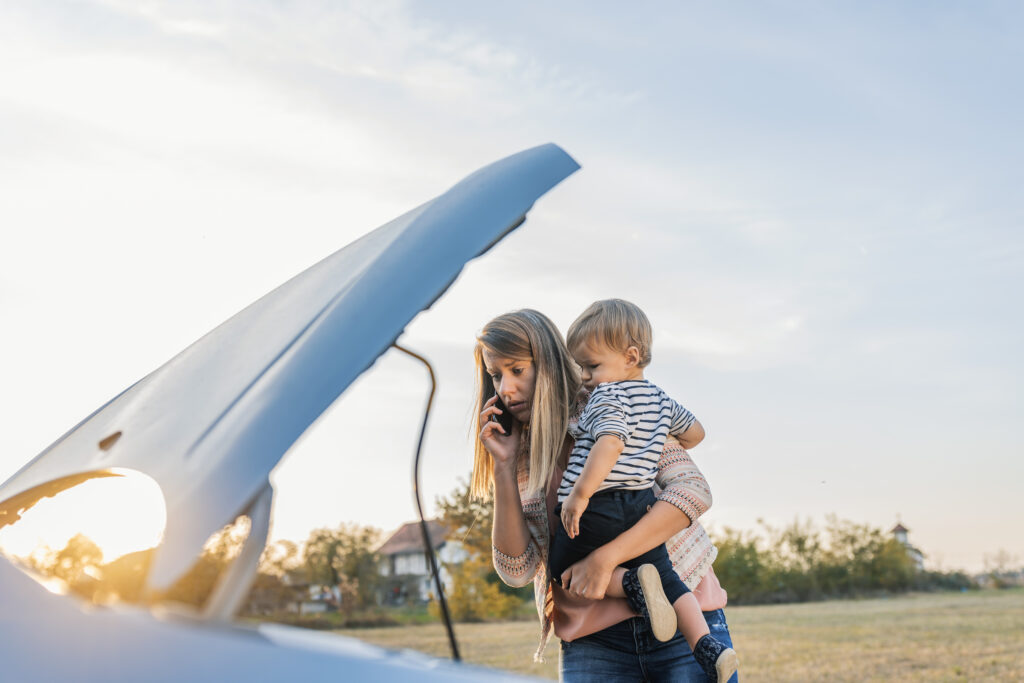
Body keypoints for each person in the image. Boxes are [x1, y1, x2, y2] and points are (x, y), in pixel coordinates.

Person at [472, 309, 738, 682]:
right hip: (594, 644)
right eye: (496, 375)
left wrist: (605, 560)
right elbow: (516, 570)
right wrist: (502, 466)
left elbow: (693, 490)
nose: (505, 389)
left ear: (548, 363)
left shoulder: (613, 400)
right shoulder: (518, 453)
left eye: (517, 370)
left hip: (685, 625)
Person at [549, 299, 737, 682]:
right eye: (581, 368)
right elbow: (696, 432)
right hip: (642, 506)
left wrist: (580, 495)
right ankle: (706, 646)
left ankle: (631, 583)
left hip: (600, 506)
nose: (585, 377)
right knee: (669, 579)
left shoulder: (605, 397)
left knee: (559, 568)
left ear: (630, 356)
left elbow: (610, 443)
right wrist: (655, 437)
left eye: (591, 366)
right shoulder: (660, 400)